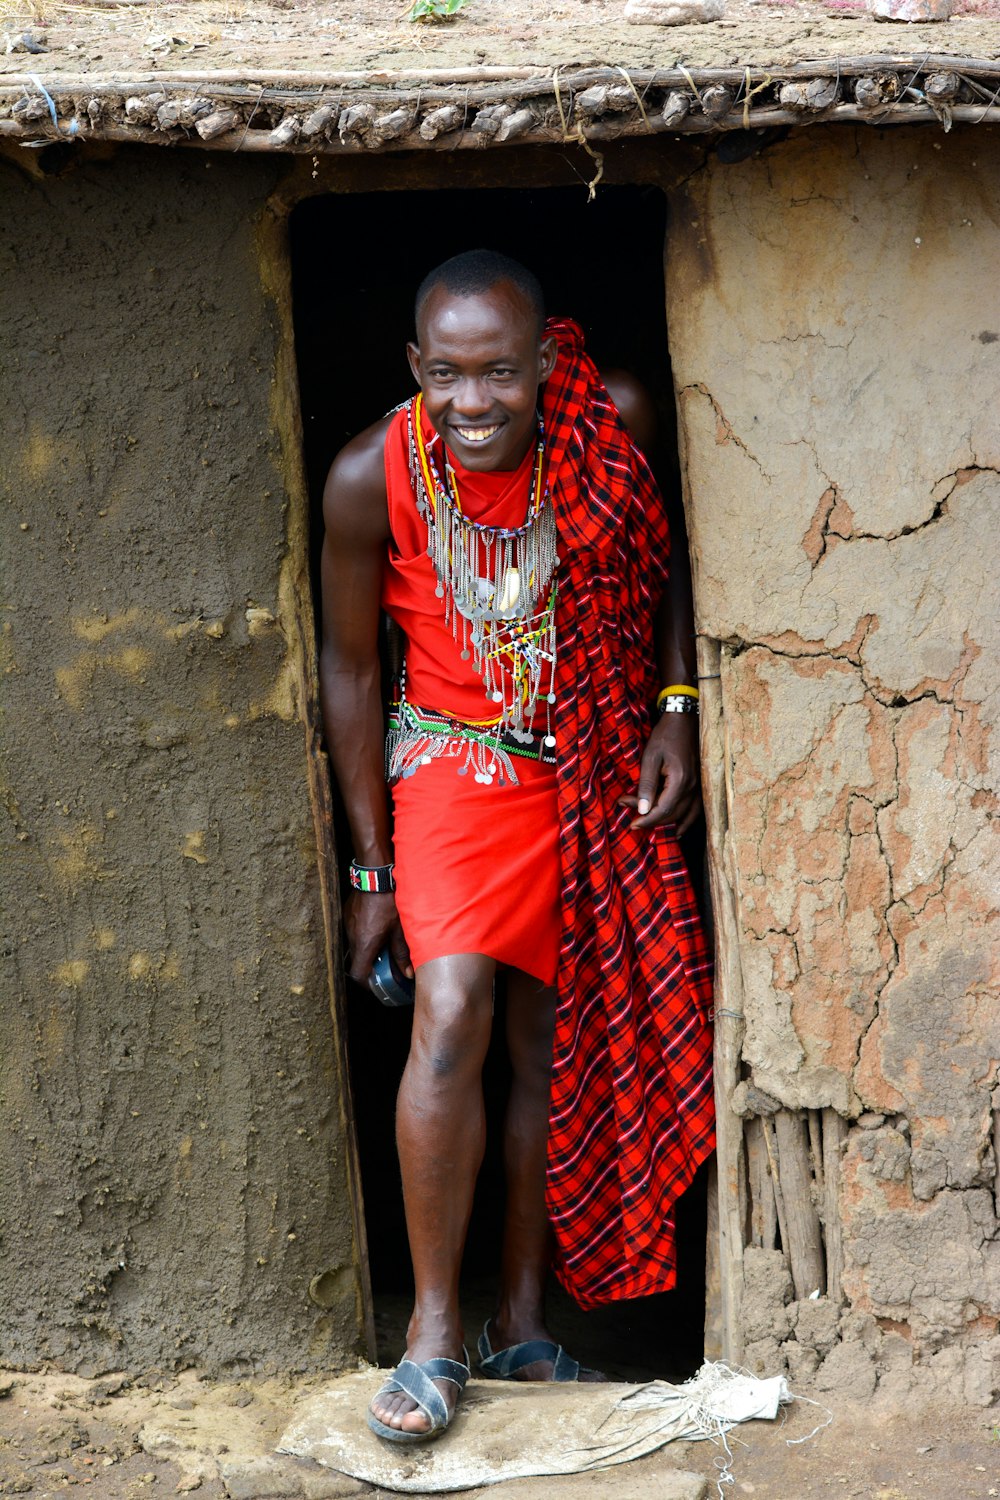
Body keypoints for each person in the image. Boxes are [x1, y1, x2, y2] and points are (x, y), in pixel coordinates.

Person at [319, 250, 714, 1444]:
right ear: (413, 369)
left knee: (556, 1047)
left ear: (544, 362)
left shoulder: (612, 423)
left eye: (498, 372)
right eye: (446, 375)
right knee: (450, 1017)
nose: (472, 402)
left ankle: (524, 1327)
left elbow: (675, 565)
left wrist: (675, 709)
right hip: (449, 762)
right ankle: (435, 1336)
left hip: (585, 762)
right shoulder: (367, 475)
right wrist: (369, 870)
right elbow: (346, 670)